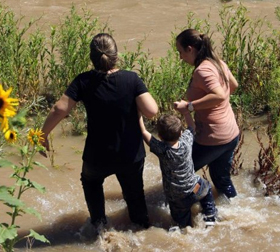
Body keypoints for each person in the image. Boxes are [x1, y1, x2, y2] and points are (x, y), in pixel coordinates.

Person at [39, 33, 158, 231]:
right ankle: (142, 229)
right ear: (116, 55)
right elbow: (152, 111)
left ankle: (99, 228)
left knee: (91, 182)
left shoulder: (83, 81)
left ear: (91, 57)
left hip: (97, 155)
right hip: (130, 155)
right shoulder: (131, 79)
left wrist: (43, 134)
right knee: (135, 196)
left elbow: (59, 109)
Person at [173, 28, 240, 201]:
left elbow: (219, 95)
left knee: (179, 173)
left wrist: (189, 106)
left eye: (180, 52)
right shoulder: (217, 62)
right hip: (230, 134)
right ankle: (235, 211)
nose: (180, 57)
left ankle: (197, 207)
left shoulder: (202, 71)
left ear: (190, 49)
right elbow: (233, 86)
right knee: (222, 180)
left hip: (212, 139)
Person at [139, 112, 217, 230]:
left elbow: (144, 132)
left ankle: (186, 228)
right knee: (206, 187)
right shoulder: (186, 141)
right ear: (181, 133)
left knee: (182, 226)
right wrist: (186, 111)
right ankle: (210, 215)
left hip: (177, 198)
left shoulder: (162, 150)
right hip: (195, 188)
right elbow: (192, 126)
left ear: (159, 136)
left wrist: (139, 115)